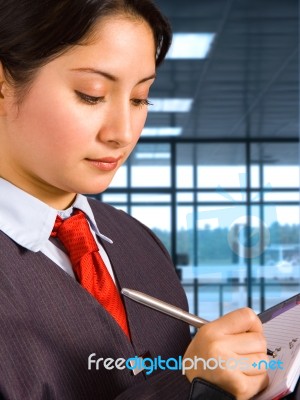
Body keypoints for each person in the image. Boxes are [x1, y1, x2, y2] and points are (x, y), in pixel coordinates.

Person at [0, 1, 269, 399]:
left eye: (141, 98)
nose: (123, 133)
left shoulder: (137, 241)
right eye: (91, 95)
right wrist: (185, 385)